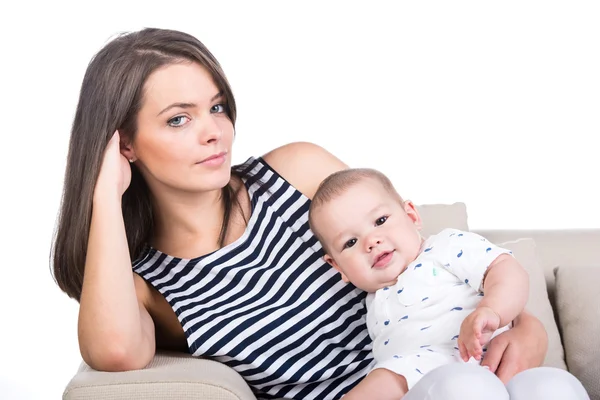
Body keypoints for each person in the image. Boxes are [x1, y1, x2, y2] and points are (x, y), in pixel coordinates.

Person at [50, 27, 586, 400]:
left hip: (455, 374)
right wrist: (103, 194)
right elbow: (116, 352)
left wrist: (528, 326)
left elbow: (427, 262)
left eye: (216, 107)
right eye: (177, 120)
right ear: (124, 146)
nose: (214, 130)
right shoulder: (149, 283)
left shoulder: (296, 171)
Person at [307, 168, 590, 399]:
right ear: (338, 267)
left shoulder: (445, 246)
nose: (372, 241)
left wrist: (492, 309)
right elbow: (396, 374)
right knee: (416, 382)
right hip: (431, 379)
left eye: (380, 220)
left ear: (412, 216)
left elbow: (506, 270)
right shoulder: (375, 300)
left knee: (554, 387)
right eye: (351, 242)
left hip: (498, 362)